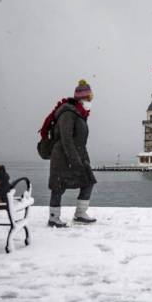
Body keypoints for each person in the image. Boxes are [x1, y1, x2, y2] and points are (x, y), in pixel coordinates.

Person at [47, 79, 98, 227]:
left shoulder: (80, 114)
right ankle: (53, 218)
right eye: (89, 98)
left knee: (88, 181)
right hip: (62, 156)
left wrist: (82, 158)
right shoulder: (68, 113)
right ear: (82, 98)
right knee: (58, 186)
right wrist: (75, 160)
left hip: (77, 154)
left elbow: (79, 140)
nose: (90, 101)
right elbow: (66, 139)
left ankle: (80, 214)